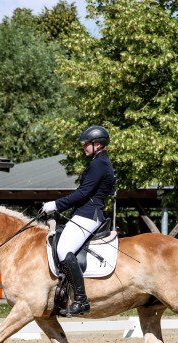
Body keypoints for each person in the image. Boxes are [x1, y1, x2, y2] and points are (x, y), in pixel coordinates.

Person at [41, 125, 116, 315]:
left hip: (89, 214)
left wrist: (56, 205)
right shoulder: (100, 162)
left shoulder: (99, 164)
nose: (84, 147)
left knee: (64, 249)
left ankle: (81, 300)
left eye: (86, 144)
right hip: (85, 212)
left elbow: (83, 193)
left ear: (97, 144)